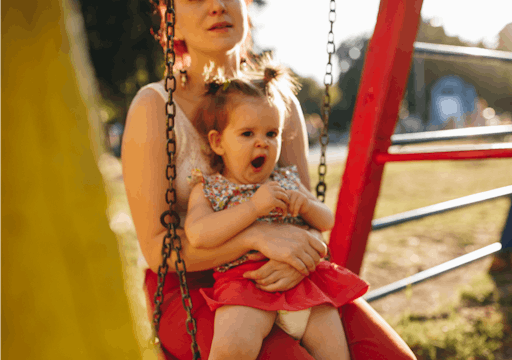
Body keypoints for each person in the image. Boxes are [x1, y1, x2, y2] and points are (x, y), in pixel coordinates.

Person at [121, 0, 417, 359]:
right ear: (173, 25)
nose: (216, 5)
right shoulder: (154, 106)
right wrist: (258, 237)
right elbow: (158, 251)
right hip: (188, 282)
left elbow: (306, 216)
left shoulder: (278, 102)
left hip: (289, 270)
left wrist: (299, 255)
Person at [185, 61, 369, 360]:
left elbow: (327, 219)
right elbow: (198, 234)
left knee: (337, 353)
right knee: (232, 349)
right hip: (246, 283)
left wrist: (307, 205)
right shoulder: (209, 189)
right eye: (247, 134)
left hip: (306, 281)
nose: (263, 143)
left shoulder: (287, 180)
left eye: (272, 134)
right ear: (218, 142)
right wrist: (253, 208)